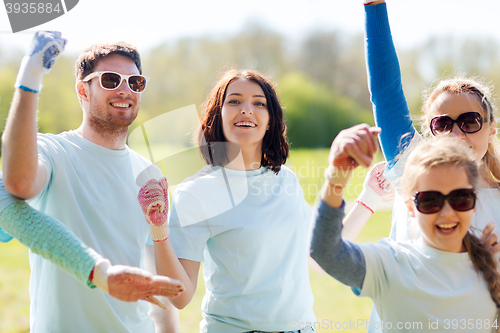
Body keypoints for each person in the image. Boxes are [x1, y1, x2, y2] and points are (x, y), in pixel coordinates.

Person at [2, 31, 180, 332]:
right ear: (82, 91)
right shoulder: (52, 151)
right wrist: (30, 79)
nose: (125, 90)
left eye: (135, 83)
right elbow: (19, 183)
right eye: (111, 80)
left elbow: (156, 286)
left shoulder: (150, 176)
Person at [138, 69, 316, 332]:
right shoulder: (196, 193)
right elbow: (180, 296)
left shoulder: (287, 181)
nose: (246, 109)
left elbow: (318, 252)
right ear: (216, 117)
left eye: (259, 103)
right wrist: (159, 231)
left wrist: (365, 197)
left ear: (271, 120)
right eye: (234, 101)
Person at [310, 124, 500, 332]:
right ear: (410, 206)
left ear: (474, 200)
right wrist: (336, 178)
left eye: (460, 198)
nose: (447, 212)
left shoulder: (488, 267)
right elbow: (325, 252)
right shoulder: (389, 265)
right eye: (430, 200)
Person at [363, 0, 500, 248]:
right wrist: (374, 6)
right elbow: (386, 93)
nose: (456, 134)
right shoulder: (412, 167)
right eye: (443, 124)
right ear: (431, 131)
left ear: (491, 130)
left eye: (470, 122)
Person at [0, 174, 183, 307]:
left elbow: (161, 284)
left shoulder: (146, 173)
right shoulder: (49, 151)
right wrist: (100, 273)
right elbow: (10, 205)